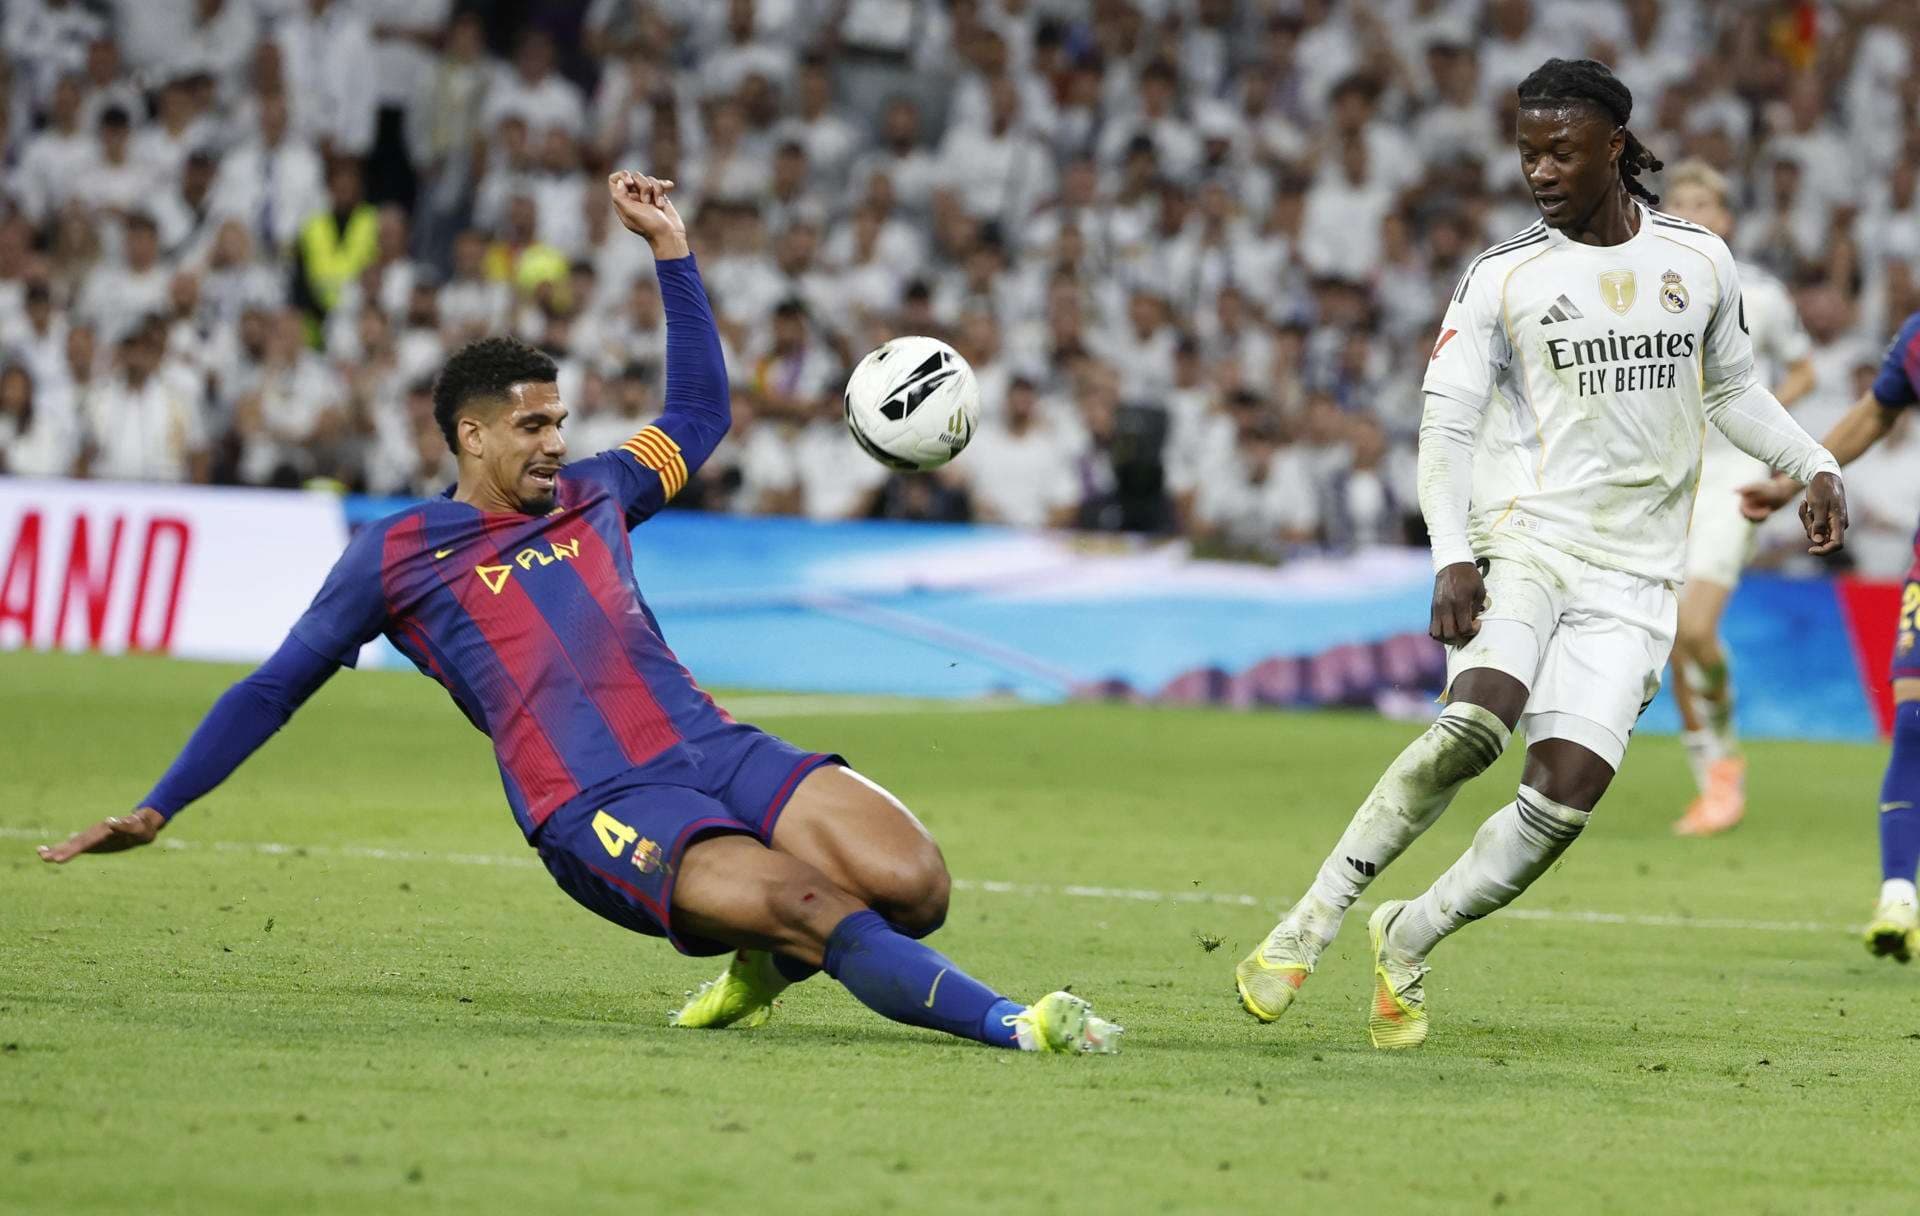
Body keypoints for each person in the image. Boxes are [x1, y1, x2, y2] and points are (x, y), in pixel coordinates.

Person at [36, 171, 1122, 1058]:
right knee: (810, 904)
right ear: (470, 439)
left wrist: (671, 248)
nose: (558, 440)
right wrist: (160, 804)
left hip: (710, 746)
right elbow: (275, 684)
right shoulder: (401, 555)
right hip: (594, 799)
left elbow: (699, 413)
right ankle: (1014, 1022)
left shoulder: (601, 490)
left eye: (562, 419)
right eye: (534, 425)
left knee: (913, 885)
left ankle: (758, 962)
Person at [1233, 59, 1845, 1049]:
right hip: (1524, 541)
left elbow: (1732, 391)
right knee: (1474, 725)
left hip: (1638, 575)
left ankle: (1410, 933)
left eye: (1561, 150)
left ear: (1616, 144)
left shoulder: (1699, 261)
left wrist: (1813, 461)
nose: (1542, 170)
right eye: (1526, 152)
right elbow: (1447, 431)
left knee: (1559, 804)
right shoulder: (1503, 276)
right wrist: (1450, 554)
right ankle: (1310, 918)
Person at [1741, 309, 1920, 962]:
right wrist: (1796, 478)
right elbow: (1874, 414)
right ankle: (1898, 894)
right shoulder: (1916, 337)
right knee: (1914, 723)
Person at [1659, 160, 1817, 836]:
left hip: (1734, 473)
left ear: (1725, 219)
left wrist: (1756, 414)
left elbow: (1806, 369)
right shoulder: (1643, 291)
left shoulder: (1762, 295)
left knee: (1696, 627)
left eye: (1704, 203)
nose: (1692, 213)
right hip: (1665, 475)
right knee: (1666, 635)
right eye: (1680, 203)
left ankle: (1725, 751)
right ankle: (1714, 777)